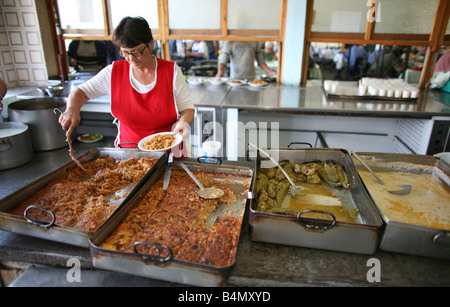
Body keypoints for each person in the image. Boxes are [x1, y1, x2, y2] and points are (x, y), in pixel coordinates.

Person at [58, 16, 194, 156]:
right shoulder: (114, 72)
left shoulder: (171, 71)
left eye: (136, 51)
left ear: (151, 44)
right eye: (125, 52)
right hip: (130, 153)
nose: (131, 58)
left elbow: (187, 109)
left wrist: (182, 124)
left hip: (169, 151)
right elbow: (80, 92)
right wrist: (71, 110)